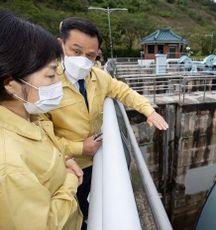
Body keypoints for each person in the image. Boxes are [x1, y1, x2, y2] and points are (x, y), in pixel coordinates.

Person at [36, 17, 169, 228]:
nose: (83, 60)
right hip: (66, 166)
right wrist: (80, 147)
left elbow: (123, 91)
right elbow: (41, 136)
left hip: (96, 160)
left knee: (91, 203)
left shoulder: (98, 77)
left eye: (90, 55)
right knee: (69, 211)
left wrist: (148, 111)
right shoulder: (46, 83)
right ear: (60, 44)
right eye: (76, 51)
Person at [0, 11, 83, 229]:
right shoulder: (8, 165)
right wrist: (70, 180)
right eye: (50, 74)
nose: (58, 81)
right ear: (11, 84)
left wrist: (63, 160)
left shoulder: (29, 116)